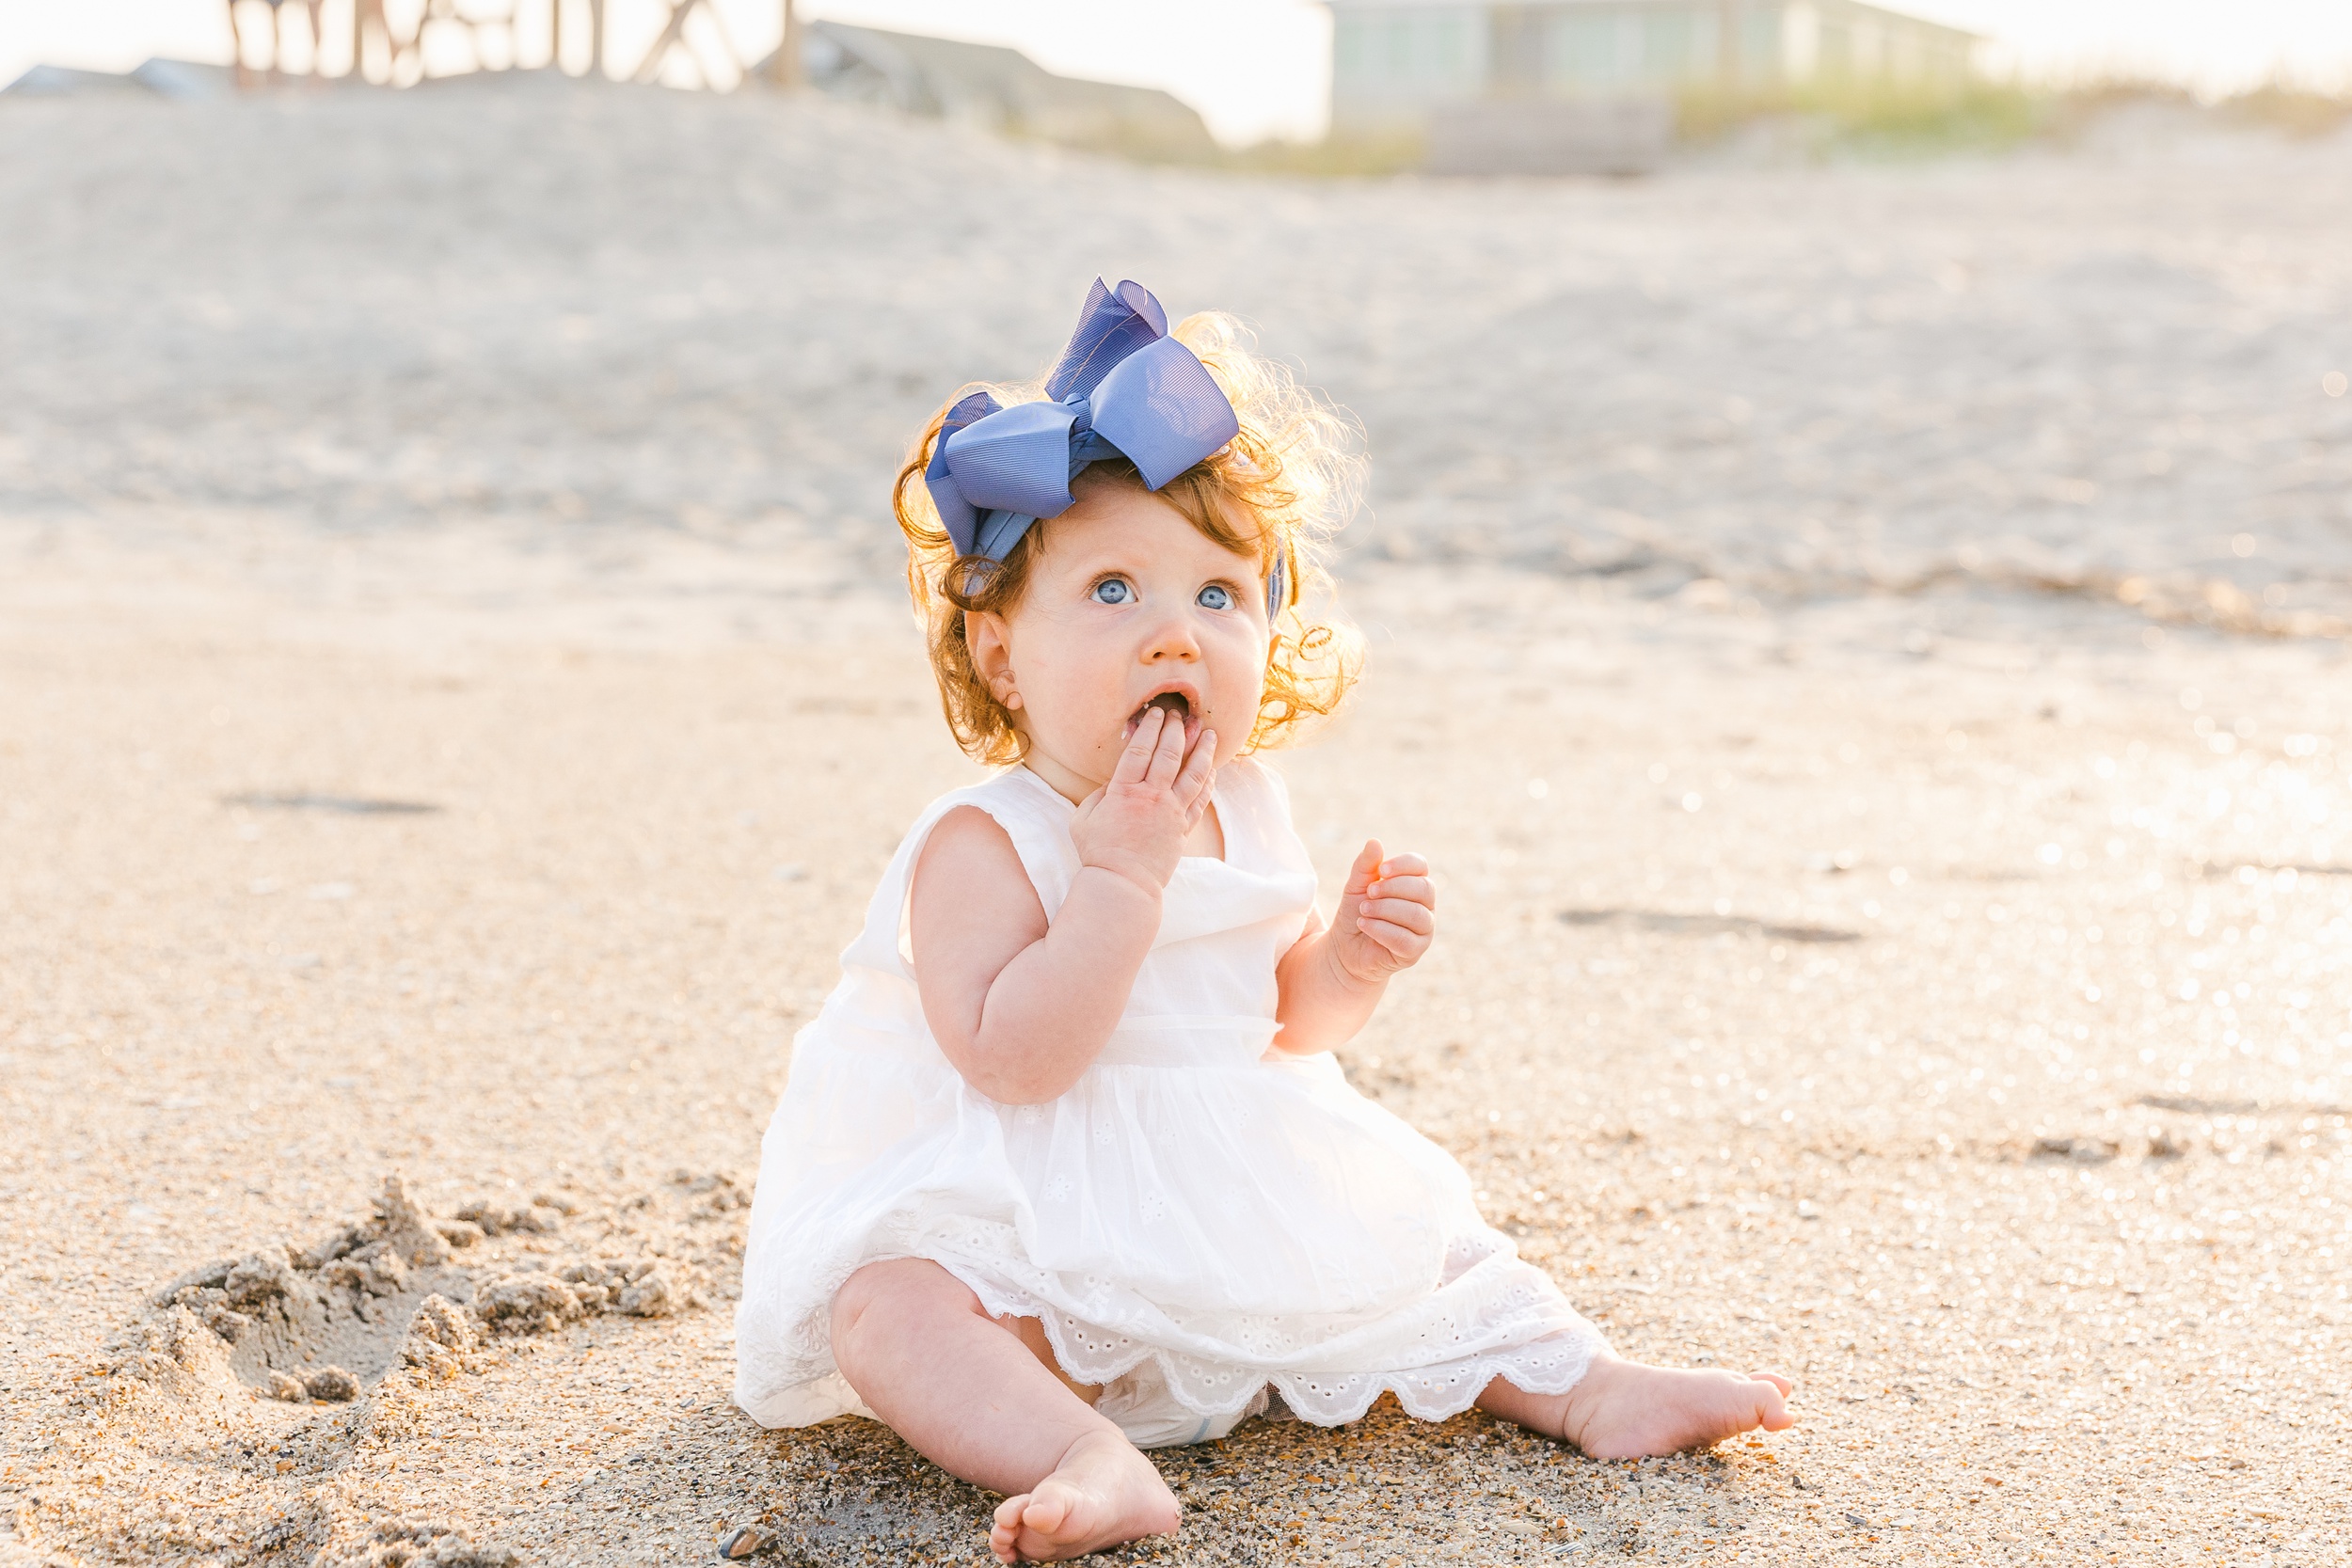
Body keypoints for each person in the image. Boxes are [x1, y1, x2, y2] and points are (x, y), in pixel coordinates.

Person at [734, 280, 1794, 1563]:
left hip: (1231, 1205)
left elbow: (1281, 1021)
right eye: (1113, 591)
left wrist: (1345, 961)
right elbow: (1014, 1059)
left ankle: (1583, 1384)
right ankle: (1082, 1455)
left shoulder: (1246, 807)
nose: (1173, 630)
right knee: (886, 1310)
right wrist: (1119, 879)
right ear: (1002, 656)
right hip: (1033, 1242)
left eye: (1219, 597)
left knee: (1436, 1251)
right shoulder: (985, 841)